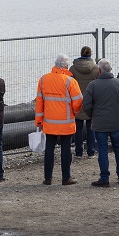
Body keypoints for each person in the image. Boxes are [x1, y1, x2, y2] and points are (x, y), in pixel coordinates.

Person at [82, 59, 119, 187]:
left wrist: (93, 114)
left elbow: (86, 104)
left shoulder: (93, 85)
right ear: (110, 69)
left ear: (99, 70)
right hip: (115, 121)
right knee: (118, 148)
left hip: (99, 123)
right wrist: (118, 111)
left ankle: (104, 178)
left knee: (102, 150)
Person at [35, 54, 83, 185]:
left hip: (49, 123)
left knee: (49, 150)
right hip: (66, 124)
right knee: (66, 150)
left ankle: (48, 178)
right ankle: (66, 177)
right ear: (66, 66)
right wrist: (75, 113)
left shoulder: (43, 79)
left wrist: (39, 121)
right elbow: (78, 102)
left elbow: (39, 103)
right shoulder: (70, 81)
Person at [69, 46, 100, 159]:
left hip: (77, 101)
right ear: (90, 55)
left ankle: (78, 152)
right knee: (91, 127)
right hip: (91, 101)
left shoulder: (72, 69)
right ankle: (91, 151)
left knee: (78, 128)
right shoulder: (96, 68)